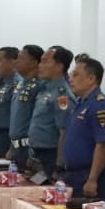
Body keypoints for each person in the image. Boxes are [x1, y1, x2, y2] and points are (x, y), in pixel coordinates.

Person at [59, 56, 105, 198]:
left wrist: (92, 179)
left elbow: (103, 145)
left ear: (91, 79)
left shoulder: (100, 105)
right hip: (73, 174)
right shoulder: (81, 102)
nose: (70, 79)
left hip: (88, 175)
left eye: (76, 75)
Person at [28, 46, 74, 177]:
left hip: (50, 155)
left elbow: (64, 131)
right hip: (35, 153)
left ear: (59, 66)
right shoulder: (44, 89)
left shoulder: (62, 96)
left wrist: (59, 164)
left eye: (45, 61)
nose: (40, 65)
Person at [9, 44, 43, 171]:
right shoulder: (21, 83)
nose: (16, 61)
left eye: (21, 58)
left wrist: (32, 152)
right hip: (16, 146)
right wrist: (11, 147)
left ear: (33, 63)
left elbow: (38, 121)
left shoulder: (39, 86)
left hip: (28, 149)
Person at [0, 47, 21, 157]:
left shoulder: (17, 84)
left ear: (12, 62)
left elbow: (18, 118)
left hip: (7, 137)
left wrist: (12, 147)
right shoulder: (0, 82)